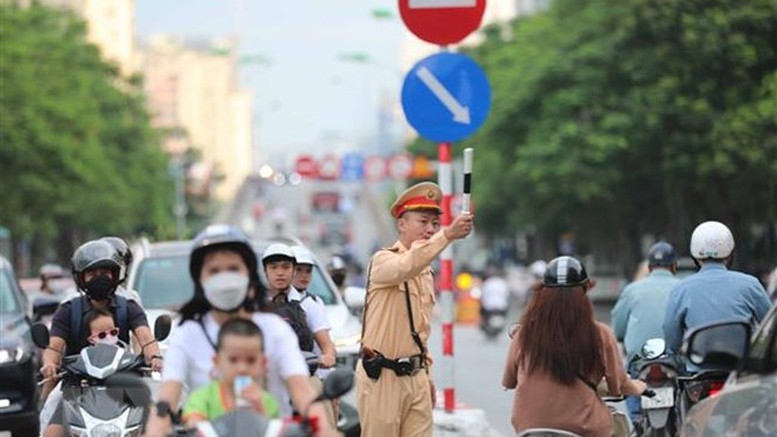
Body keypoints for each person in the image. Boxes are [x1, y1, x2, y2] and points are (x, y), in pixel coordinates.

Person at [148, 224, 334, 436]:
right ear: (200, 278)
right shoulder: (187, 334)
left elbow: (303, 394)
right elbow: (166, 401)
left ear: (249, 274)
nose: (225, 278)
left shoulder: (275, 330)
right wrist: (153, 431)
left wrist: (324, 430)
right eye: (214, 271)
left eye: (233, 269)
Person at [356, 181, 474, 437]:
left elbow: (420, 330)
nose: (431, 229)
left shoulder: (426, 272)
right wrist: (448, 235)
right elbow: (407, 265)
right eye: (423, 222)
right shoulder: (383, 260)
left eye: (435, 223)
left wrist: (426, 375)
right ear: (402, 224)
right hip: (382, 376)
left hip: (416, 376)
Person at [502, 256, 648, 437]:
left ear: (543, 293)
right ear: (585, 290)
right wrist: (638, 387)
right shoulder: (600, 334)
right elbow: (617, 385)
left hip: (528, 427)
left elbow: (509, 381)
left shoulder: (524, 335)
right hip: (582, 428)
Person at [39, 240, 161, 434]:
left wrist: (155, 357)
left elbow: (146, 338)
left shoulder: (129, 305)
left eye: (104, 272)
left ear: (114, 274)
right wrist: (50, 365)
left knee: (159, 424)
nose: (99, 278)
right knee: (51, 429)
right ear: (81, 278)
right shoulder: (68, 309)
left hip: (126, 383)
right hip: (76, 388)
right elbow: (54, 347)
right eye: (92, 274)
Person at [663, 221, 771, 354]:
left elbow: (671, 339)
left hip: (698, 369)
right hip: (743, 369)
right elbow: (771, 326)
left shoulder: (680, 289)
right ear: (730, 253)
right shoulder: (750, 284)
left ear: (695, 255)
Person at [611, 241, 680, 422]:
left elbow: (618, 327)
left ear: (649, 267)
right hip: (674, 359)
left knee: (635, 405)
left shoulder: (632, 289)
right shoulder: (683, 288)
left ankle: (637, 421)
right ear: (674, 266)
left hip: (640, 360)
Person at [182, 318, 279, 426]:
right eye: (233, 360)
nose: (242, 368)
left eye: (251, 360)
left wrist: (260, 412)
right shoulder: (202, 398)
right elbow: (195, 427)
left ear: (263, 362)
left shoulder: (268, 402)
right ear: (217, 361)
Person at [261, 243, 316, 353]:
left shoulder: (307, 304)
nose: (280, 273)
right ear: (265, 271)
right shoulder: (254, 305)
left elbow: (326, 344)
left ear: (294, 270)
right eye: (273, 267)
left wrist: (328, 355)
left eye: (286, 267)